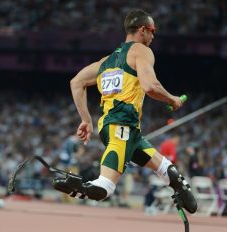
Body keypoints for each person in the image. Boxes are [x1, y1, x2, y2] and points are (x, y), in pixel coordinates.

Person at [52, 9, 197, 214]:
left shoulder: (106, 61)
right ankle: (83, 185)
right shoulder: (141, 50)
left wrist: (86, 120)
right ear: (142, 30)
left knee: (164, 166)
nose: (153, 36)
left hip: (116, 128)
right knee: (105, 187)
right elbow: (150, 86)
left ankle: (180, 188)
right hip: (123, 124)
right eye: (152, 31)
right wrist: (172, 99)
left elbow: (76, 82)